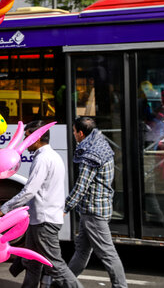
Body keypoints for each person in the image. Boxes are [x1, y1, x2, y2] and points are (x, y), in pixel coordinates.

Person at [0, 120, 81, 288]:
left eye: (27, 138)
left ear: (36, 138)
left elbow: (29, 191)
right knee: (31, 261)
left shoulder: (42, 158)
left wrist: (4, 209)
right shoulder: (53, 156)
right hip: (42, 218)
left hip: (44, 220)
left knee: (55, 265)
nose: (25, 143)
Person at [64, 117, 127, 288]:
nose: (74, 135)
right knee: (82, 251)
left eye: (74, 131)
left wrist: (66, 207)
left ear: (81, 133)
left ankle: (121, 286)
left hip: (93, 210)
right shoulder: (100, 143)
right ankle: (63, 282)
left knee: (108, 254)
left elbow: (81, 185)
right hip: (95, 207)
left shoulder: (91, 153)